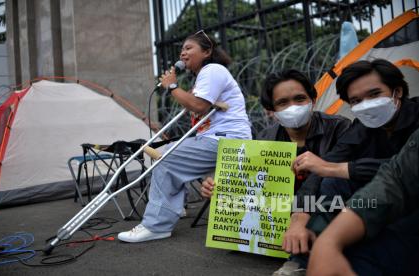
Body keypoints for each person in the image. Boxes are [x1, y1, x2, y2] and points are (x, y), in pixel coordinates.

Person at [281, 59, 419, 274]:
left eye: (374, 95)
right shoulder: (362, 127)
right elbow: (323, 167)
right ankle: (300, 261)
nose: (366, 104)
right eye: (356, 100)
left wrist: (338, 168)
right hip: (372, 200)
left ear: (397, 91)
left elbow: (402, 171)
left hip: (408, 204)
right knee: (331, 184)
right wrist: (299, 215)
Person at [118, 30, 252, 243]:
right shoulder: (203, 77)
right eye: (181, 50)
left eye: (189, 48)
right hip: (215, 138)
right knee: (165, 152)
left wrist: (172, 86)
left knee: (166, 159)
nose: (182, 54)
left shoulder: (212, 70)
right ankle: (174, 207)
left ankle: (157, 225)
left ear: (207, 51)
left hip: (225, 140)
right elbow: (199, 106)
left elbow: (198, 105)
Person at [201, 69, 350, 198]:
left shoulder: (339, 128)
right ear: (271, 111)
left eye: (300, 99)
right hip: (284, 216)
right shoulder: (265, 140)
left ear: (313, 101)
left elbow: (356, 175)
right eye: (283, 102)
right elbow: (250, 183)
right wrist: (218, 188)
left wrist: (325, 167)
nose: (293, 107)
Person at [308, 128, 419, 275]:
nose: (364, 107)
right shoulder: (358, 128)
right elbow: (397, 180)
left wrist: (343, 168)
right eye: (355, 103)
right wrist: (328, 241)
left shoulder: (334, 126)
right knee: (332, 184)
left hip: (404, 212)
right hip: (375, 196)